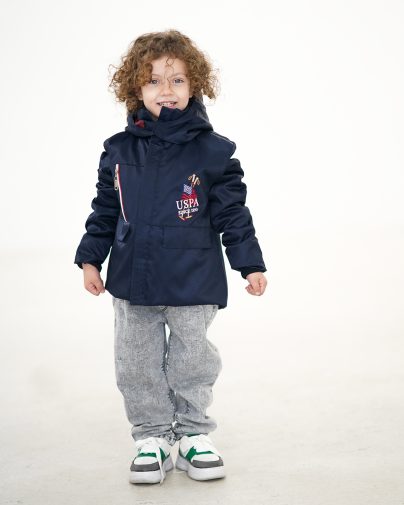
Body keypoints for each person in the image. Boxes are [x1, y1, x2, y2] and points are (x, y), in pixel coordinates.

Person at [74, 29, 268, 485]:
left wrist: (250, 263)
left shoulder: (214, 152)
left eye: (177, 80)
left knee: (192, 361)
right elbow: (105, 210)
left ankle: (194, 434)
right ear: (135, 88)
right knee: (136, 363)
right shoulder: (118, 151)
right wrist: (90, 259)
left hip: (193, 280)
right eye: (154, 80)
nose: (166, 90)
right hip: (133, 280)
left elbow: (233, 213)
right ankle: (152, 438)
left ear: (194, 85)